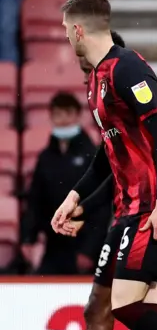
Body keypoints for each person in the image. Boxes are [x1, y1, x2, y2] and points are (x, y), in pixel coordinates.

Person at [51, 0, 157, 330]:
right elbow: (108, 152)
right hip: (132, 208)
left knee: (126, 307)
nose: (66, 36)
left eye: (67, 29)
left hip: (152, 205)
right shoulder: (98, 79)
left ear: (79, 30)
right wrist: (75, 197)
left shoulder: (127, 66)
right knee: (139, 308)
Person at [20, 92, 110, 275]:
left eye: (67, 113)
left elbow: (101, 207)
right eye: (58, 114)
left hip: (84, 244)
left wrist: (88, 250)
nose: (63, 120)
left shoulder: (92, 155)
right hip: (54, 245)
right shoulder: (45, 158)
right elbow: (35, 201)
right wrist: (29, 237)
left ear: (77, 115)